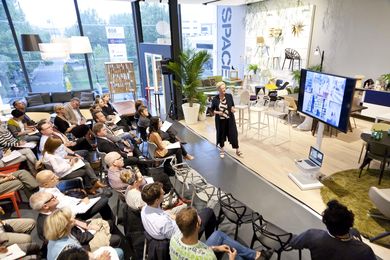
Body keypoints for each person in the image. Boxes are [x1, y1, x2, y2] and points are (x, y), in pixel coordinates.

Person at [29, 191, 123, 256]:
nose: (56, 197)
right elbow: (73, 239)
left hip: (79, 232)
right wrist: (91, 231)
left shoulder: (54, 211)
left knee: (109, 223)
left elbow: (74, 222)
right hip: (80, 245)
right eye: (52, 198)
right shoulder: (49, 224)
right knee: (116, 239)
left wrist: (86, 225)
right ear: (45, 206)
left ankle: (124, 241)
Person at [170, 206, 273, 260]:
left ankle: (255, 255)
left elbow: (195, 251)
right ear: (197, 225)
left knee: (218, 235)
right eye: (198, 216)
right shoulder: (207, 257)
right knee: (235, 255)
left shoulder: (174, 239)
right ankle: (254, 256)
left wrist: (215, 248)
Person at [289, 200, 376, 260]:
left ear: (326, 222)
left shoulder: (312, 235)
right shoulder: (364, 250)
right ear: (351, 221)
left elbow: (293, 243)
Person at [141, 182, 216, 240]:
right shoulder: (162, 222)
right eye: (162, 193)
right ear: (157, 200)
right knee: (208, 211)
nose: (164, 192)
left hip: (171, 226)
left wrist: (170, 216)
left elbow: (163, 217)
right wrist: (194, 220)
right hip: (183, 234)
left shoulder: (144, 209)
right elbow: (178, 236)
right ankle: (211, 241)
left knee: (190, 210)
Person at [44, 208, 123, 260]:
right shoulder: (68, 251)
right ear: (66, 224)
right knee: (119, 252)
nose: (73, 217)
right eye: (70, 218)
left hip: (83, 253)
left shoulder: (55, 237)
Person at [35, 170, 114, 221]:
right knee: (104, 199)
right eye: (53, 178)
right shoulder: (49, 196)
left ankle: (109, 221)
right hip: (76, 214)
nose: (57, 177)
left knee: (102, 198)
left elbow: (64, 198)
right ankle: (110, 221)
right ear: (45, 184)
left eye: (54, 175)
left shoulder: (49, 186)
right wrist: (83, 203)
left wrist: (80, 200)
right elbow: (67, 210)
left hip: (76, 204)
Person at [105, 151, 172, 195]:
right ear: (114, 162)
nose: (122, 158)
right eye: (120, 158)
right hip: (140, 190)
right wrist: (139, 174)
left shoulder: (111, 172)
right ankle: (165, 195)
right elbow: (141, 183)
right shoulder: (119, 177)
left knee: (155, 175)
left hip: (132, 188)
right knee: (164, 176)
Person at [211, 81, 242, 159]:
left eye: (224, 88)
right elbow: (211, 111)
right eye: (222, 88)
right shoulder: (215, 99)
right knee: (221, 135)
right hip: (220, 121)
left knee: (234, 134)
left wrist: (232, 109)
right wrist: (218, 112)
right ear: (218, 89)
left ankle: (237, 150)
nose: (224, 89)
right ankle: (222, 150)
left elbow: (232, 106)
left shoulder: (229, 96)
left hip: (230, 120)